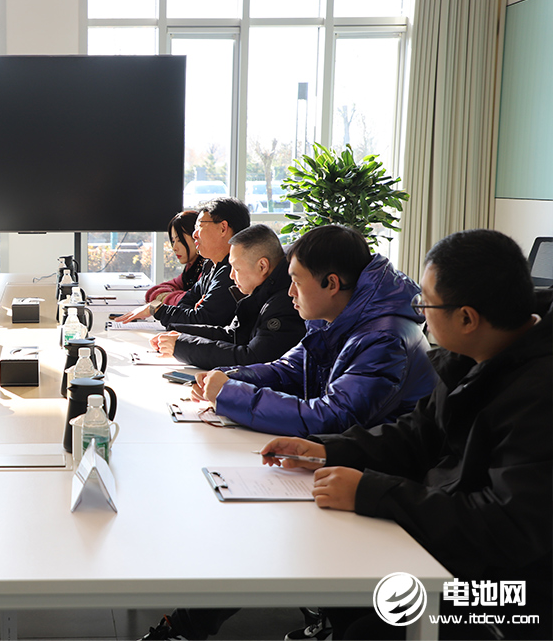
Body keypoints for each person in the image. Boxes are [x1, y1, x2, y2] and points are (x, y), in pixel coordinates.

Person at [260, 229, 552, 641]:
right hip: (454, 545)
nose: (419, 312)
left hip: (514, 592)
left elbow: (506, 526)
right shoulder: (473, 355)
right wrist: (326, 450)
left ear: (467, 318)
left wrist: (372, 492)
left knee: (367, 631)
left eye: (426, 303)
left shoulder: (539, 394)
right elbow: (417, 434)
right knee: (342, 576)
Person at [191, 224, 436, 437]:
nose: (290, 292)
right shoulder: (330, 320)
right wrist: (227, 377)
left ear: (332, 283)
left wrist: (229, 394)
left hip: (378, 469)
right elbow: (288, 370)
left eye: (297, 282)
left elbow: (333, 417)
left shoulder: (384, 339)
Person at [150, 224, 305, 369]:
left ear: (262, 266)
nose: (231, 276)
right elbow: (233, 335)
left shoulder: (287, 302)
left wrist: (181, 346)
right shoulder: (262, 291)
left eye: (236, 269)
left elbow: (252, 358)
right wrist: (178, 334)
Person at [116, 197, 250, 328]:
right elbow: (187, 303)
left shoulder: (233, 272)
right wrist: (190, 313)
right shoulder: (210, 266)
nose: (194, 235)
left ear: (223, 228)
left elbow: (201, 321)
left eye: (200, 226)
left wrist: (157, 310)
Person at [143, 210, 206, 307]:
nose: (174, 247)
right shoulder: (191, 268)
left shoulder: (207, 269)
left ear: (197, 237)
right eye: (173, 241)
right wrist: (171, 297)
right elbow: (154, 291)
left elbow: (190, 301)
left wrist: (164, 298)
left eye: (180, 240)